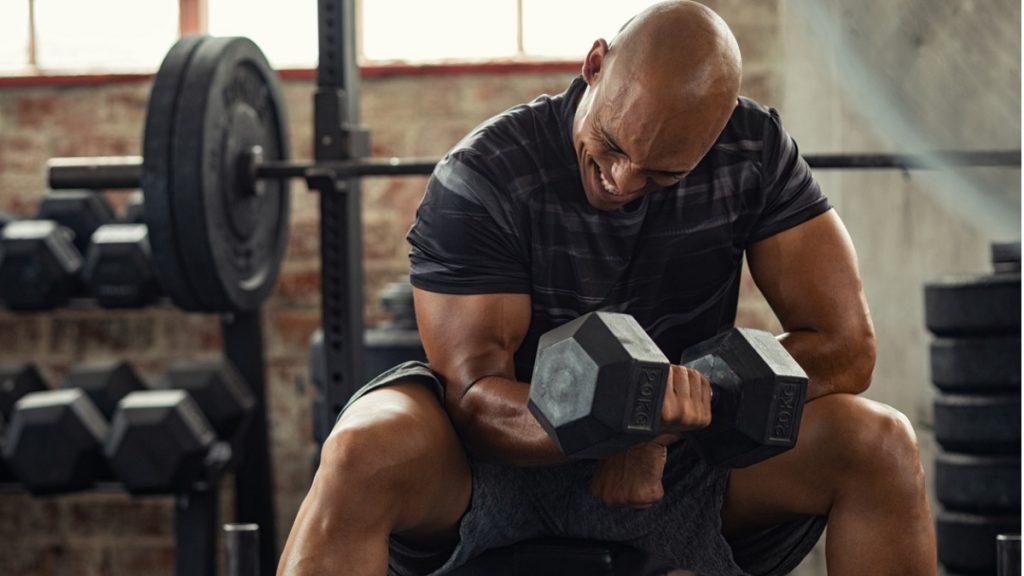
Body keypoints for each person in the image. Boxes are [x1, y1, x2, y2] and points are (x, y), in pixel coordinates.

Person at [278, 2, 937, 575]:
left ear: (714, 136)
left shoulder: (752, 153)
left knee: (879, 443)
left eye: (660, 174)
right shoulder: (486, 176)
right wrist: (628, 424)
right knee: (362, 449)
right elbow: (477, 399)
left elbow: (847, 347)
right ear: (595, 63)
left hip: (687, 467)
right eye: (612, 146)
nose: (622, 180)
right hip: (497, 469)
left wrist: (668, 423)